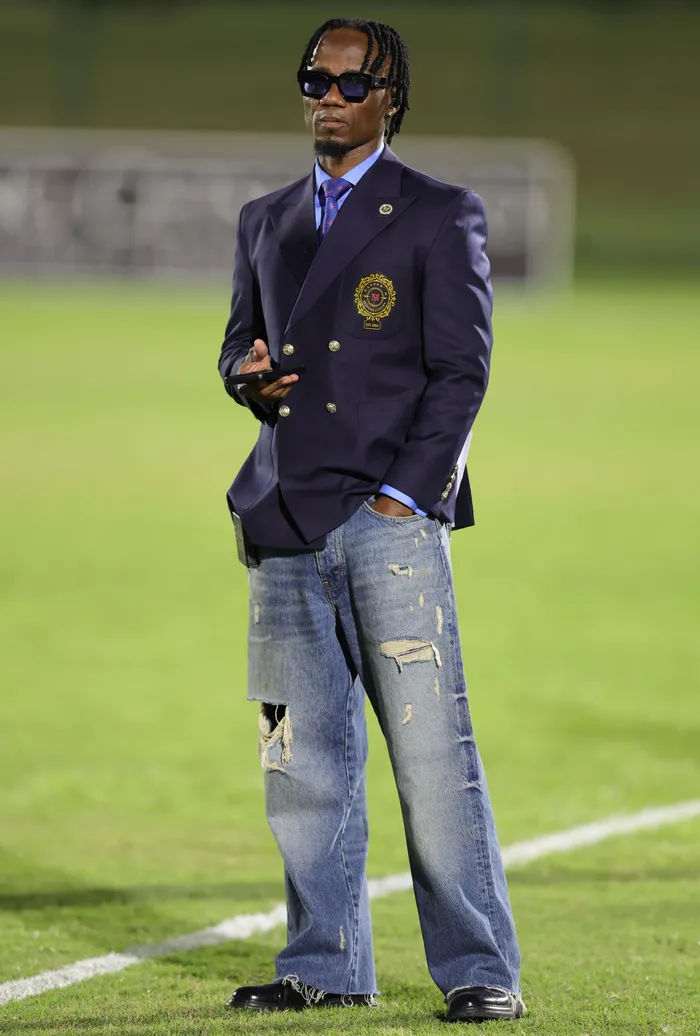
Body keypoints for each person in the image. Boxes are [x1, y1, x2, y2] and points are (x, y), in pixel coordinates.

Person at [218, 17, 524, 1023]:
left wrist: (407, 494)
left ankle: (481, 970)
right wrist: (246, 378)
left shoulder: (440, 213)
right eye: (315, 79)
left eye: (352, 83)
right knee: (298, 760)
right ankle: (325, 962)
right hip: (282, 523)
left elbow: (462, 371)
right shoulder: (264, 218)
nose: (329, 97)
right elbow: (237, 346)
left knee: (433, 759)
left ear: (391, 97)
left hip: (387, 525)